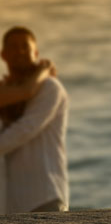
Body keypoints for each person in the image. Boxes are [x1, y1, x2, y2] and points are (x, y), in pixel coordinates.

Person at [0, 27, 69, 213]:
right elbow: (24, 92)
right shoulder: (5, 90)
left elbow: (24, 130)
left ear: (36, 53)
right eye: (14, 47)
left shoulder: (49, 88)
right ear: (3, 55)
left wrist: (45, 70)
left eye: (25, 46)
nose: (20, 51)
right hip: (11, 204)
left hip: (44, 196)